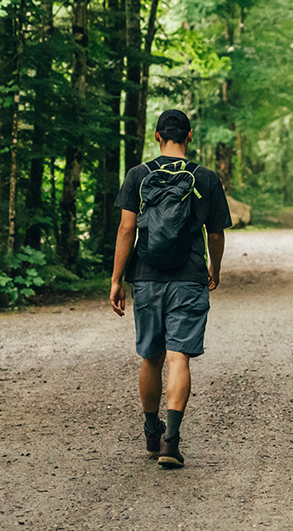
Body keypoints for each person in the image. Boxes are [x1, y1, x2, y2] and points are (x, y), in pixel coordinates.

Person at [110, 109, 233, 469]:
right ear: (190, 136)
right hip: (189, 277)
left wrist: (117, 279)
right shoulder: (205, 178)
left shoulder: (138, 175)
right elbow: (216, 232)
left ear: (156, 135)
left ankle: (151, 433)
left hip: (147, 276)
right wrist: (215, 267)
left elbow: (125, 230)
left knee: (151, 357)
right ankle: (171, 442)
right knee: (179, 356)